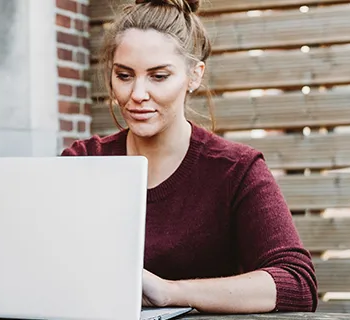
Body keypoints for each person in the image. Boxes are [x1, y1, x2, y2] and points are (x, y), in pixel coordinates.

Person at [61, 0, 318, 314]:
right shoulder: (84, 161)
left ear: (194, 76)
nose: (137, 94)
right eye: (125, 76)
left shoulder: (236, 170)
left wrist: (170, 292)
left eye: (158, 76)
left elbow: (297, 283)